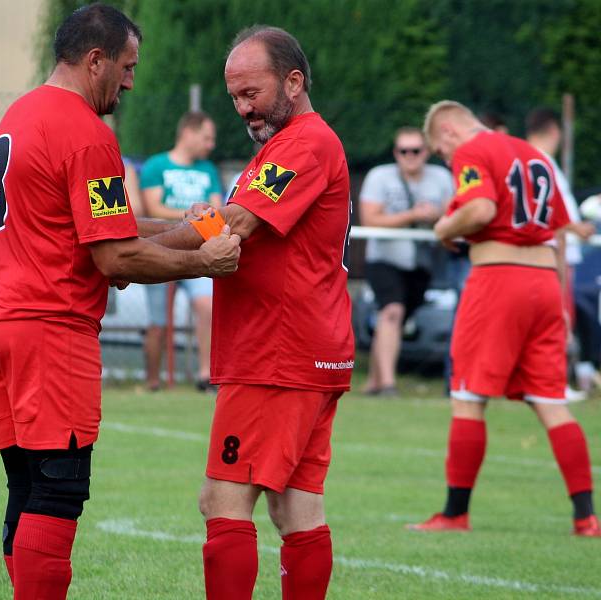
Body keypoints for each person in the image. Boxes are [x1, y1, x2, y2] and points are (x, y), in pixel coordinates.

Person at [0, 5, 241, 599]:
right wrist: (204, 261)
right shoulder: (87, 132)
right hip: (46, 324)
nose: (132, 80)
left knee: (27, 487)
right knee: (58, 490)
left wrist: (193, 226)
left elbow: (97, 226)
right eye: (127, 65)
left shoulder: (22, 112)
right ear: (96, 60)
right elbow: (115, 259)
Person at [190, 26, 354, 599]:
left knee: (223, 499)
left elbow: (237, 227)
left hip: (276, 355)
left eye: (251, 93)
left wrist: (143, 250)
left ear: (293, 81)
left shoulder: (304, 143)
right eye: (234, 96)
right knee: (296, 508)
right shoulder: (292, 145)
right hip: (309, 350)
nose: (242, 107)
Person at [408, 100, 600, 537]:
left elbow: (480, 211)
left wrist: (442, 228)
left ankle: (455, 513)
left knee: (468, 394)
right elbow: (562, 229)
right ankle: (586, 517)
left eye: (441, 151)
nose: (447, 159)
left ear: (451, 133)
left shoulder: (473, 150)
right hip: (545, 283)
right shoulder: (537, 157)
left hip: (499, 280)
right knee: (551, 400)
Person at [359, 127, 452, 395]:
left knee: (393, 321)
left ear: (426, 152)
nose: (410, 156)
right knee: (392, 312)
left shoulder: (441, 178)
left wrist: (435, 215)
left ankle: (374, 383)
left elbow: (454, 212)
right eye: (404, 151)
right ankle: (388, 384)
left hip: (422, 262)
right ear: (395, 153)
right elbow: (370, 218)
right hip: (384, 260)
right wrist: (412, 214)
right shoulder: (380, 177)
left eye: (416, 150)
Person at [140, 111, 222, 391]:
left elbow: (216, 209)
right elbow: (153, 209)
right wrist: (190, 217)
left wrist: (192, 222)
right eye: (206, 137)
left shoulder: (208, 170)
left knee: (207, 305)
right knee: (157, 319)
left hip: (199, 248)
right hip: (161, 246)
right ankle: (153, 380)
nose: (211, 144)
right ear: (188, 132)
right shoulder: (156, 165)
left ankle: (205, 375)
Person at [526, 107, 596, 400]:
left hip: (555, 253)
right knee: (556, 321)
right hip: (555, 255)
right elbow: (546, 213)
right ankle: (552, 384)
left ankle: (550, 382)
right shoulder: (540, 162)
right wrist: (575, 228)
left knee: (556, 320)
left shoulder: (535, 161)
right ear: (555, 130)